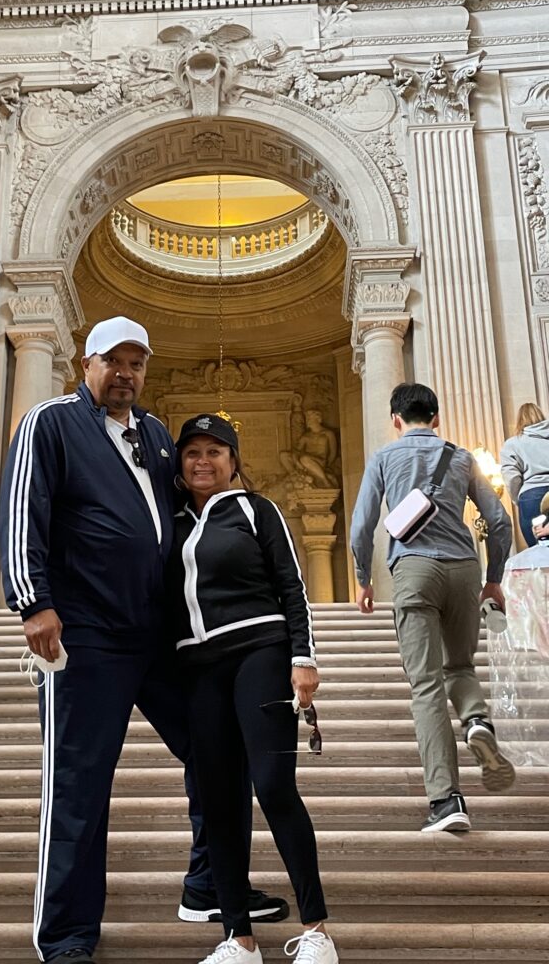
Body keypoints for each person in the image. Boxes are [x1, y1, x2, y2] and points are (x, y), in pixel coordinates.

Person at [0, 317, 285, 964]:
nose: (126, 374)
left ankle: (209, 884)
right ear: (87, 361)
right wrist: (33, 601)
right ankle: (66, 936)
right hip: (84, 633)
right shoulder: (51, 422)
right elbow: (23, 510)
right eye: (114, 361)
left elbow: (184, 515)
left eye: (138, 363)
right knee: (79, 782)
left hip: (159, 633)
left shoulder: (155, 433)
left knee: (219, 744)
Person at [167, 413, 338, 964]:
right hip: (198, 668)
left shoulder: (255, 510)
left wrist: (303, 658)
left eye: (216, 451)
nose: (203, 461)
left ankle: (316, 930)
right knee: (217, 798)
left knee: (273, 785)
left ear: (234, 461)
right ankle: (237, 937)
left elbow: (292, 585)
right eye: (193, 452)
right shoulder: (170, 524)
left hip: (260, 654)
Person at [350, 383, 515, 833]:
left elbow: (362, 524)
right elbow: (499, 521)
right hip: (464, 569)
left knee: (425, 686)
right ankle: (477, 718)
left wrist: (363, 579)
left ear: (396, 420)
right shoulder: (461, 457)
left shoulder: (385, 457)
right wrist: (494, 578)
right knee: (459, 667)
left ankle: (446, 801)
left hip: (415, 569)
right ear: (436, 418)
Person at [500, 402, 549, 546]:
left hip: (532, 497)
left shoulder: (513, 444)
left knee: (538, 554)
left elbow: (512, 477)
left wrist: (518, 499)